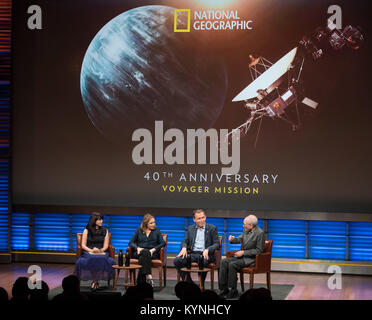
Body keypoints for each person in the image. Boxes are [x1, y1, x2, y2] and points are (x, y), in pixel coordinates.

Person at [218, 215, 265, 299]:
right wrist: (233, 239)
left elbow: (259, 251)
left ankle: (233, 290)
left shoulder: (260, 233)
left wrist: (243, 252)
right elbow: (240, 239)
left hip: (251, 259)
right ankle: (224, 288)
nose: (243, 225)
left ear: (251, 225)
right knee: (223, 261)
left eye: (244, 224)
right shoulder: (246, 230)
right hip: (243, 257)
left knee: (232, 264)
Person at [174, 209, 220, 285]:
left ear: (205, 217)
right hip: (192, 254)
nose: (202, 220)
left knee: (204, 261)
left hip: (205, 254)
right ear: (194, 219)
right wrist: (184, 247)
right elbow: (185, 241)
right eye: (199, 218)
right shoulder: (190, 228)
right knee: (177, 261)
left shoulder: (212, 228)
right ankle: (190, 283)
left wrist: (208, 249)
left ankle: (201, 285)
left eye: (203, 217)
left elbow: (217, 243)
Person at [74, 212, 115, 290]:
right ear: (94, 220)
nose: (101, 221)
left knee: (101, 258)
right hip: (89, 251)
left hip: (101, 251)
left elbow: (106, 246)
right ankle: (95, 281)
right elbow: (83, 245)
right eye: (99, 220)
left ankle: (95, 281)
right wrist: (92, 251)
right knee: (92, 257)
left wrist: (100, 251)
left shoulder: (105, 230)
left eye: (102, 219)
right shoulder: (87, 230)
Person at [129, 213, 165, 287]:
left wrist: (153, 250)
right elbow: (131, 242)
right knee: (145, 252)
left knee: (146, 253)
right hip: (139, 252)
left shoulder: (157, 231)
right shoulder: (139, 230)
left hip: (152, 253)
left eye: (154, 222)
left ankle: (140, 281)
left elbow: (162, 243)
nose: (153, 224)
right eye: (151, 223)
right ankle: (149, 275)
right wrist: (137, 248)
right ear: (145, 223)